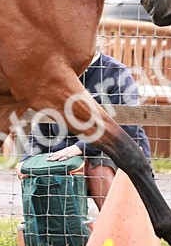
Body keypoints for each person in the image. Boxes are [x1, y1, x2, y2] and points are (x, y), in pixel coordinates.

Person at [18, 51, 152, 212]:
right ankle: (68, 233)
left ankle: (118, 226)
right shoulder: (54, 75)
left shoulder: (115, 71)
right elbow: (43, 126)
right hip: (65, 152)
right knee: (40, 170)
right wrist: (27, 158)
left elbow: (127, 128)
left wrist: (81, 148)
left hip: (112, 149)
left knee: (98, 167)